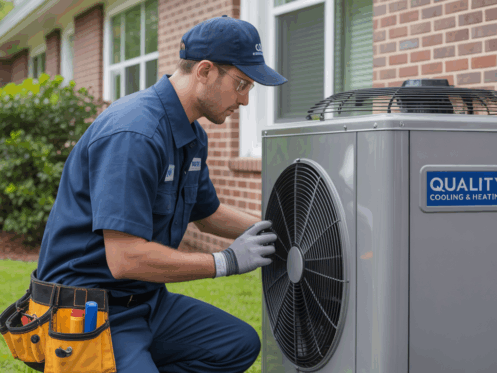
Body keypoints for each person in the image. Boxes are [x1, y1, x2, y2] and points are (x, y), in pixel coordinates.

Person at [35, 15, 288, 373]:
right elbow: (125, 258)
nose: (245, 101)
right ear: (204, 71)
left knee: (236, 345)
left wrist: (282, 232)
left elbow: (207, 212)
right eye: (242, 85)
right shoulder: (135, 133)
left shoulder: (190, 135)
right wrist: (225, 262)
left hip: (145, 302)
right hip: (87, 309)